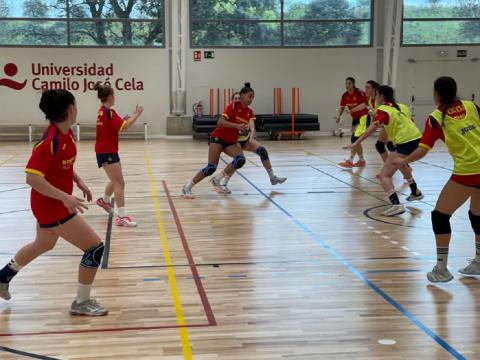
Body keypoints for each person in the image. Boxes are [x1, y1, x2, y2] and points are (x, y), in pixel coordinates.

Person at [0, 89, 108, 316]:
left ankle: (3, 278)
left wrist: (78, 181)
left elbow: (62, 164)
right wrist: (65, 196)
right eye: (75, 105)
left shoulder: (66, 135)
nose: (77, 109)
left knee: (43, 244)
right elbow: (32, 177)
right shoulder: (49, 141)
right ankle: (81, 302)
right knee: (95, 248)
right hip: (51, 205)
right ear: (70, 109)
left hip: (52, 202)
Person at [393, 76, 480, 282]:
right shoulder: (471, 106)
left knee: (440, 216)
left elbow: (424, 148)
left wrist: (403, 160)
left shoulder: (437, 117)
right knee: (477, 215)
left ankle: (441, 269)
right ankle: (478, 261)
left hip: (468, 171)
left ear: (436, 94)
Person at [344, 85, 424, 216]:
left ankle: (397, 205)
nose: (374, 97)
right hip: (416, 138)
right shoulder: (400, 106)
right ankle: (415, 191)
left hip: (405, 141)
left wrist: (356, 142)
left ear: (381, 96)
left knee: (384, 176)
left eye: (376, 94)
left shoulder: (384, 109)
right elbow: (409, 121)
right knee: (397, 161)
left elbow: (372, 128)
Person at [182, 83, 253, 199]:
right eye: (250, 96)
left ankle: (218, 179)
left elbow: (241, 127)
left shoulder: (249, 112)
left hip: (230, 141)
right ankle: (187, 187)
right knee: (211, 167)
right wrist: (237, 126)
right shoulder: (233, 106)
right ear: (243, 95)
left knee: (240, 159)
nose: (251, 99)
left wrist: (244, 130)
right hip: (218, 138)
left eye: (253, 97)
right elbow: (220, 122)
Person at [210, 92, 287, 194]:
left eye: (239, 98)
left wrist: (251, 136)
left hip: (245, 140)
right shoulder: (231, 110)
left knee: (262, 151)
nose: (237, 100)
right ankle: (223, 182)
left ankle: (272, 177)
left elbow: (251, 124)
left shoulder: (248, 111)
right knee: (238, 160)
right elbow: (222, 123)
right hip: (233, 140)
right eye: (235, 98)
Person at [94, 83, 144, 227]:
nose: (114, 97)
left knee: (115, 180)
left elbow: (117, 126)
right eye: (113, 95)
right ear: (110, 96)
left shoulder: (102, 111)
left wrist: (124, 119)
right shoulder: (109, 112)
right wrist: (137, 114)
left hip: (106, 150)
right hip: (107, 151)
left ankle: (104, 200)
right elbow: (125, 126)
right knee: (119, 183)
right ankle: (122, 217)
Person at [335, 77, 369, 168]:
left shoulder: (360, 93)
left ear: (353, 84)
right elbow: (342, 107)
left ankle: (350, 160)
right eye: (346, 83)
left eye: (349, 83)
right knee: (356, 140)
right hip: (355, 118)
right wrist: (338, 116)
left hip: (364, 117)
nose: (347, 85)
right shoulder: (345, 95)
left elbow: (367, 104)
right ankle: (361, 160)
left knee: (354, 139)